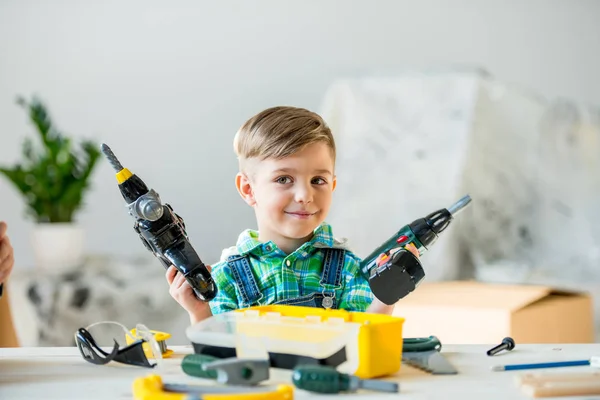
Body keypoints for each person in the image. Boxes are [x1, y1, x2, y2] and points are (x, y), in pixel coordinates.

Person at [166, 106, 418, 324]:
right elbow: (219, 359)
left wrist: (386, 298)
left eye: (318, 180)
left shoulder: (349, 270)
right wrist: (200, 314)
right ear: (248, 189)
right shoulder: (225, 278)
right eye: (284, 179)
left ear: (332, 186)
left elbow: (362, 344)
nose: (304, 195)